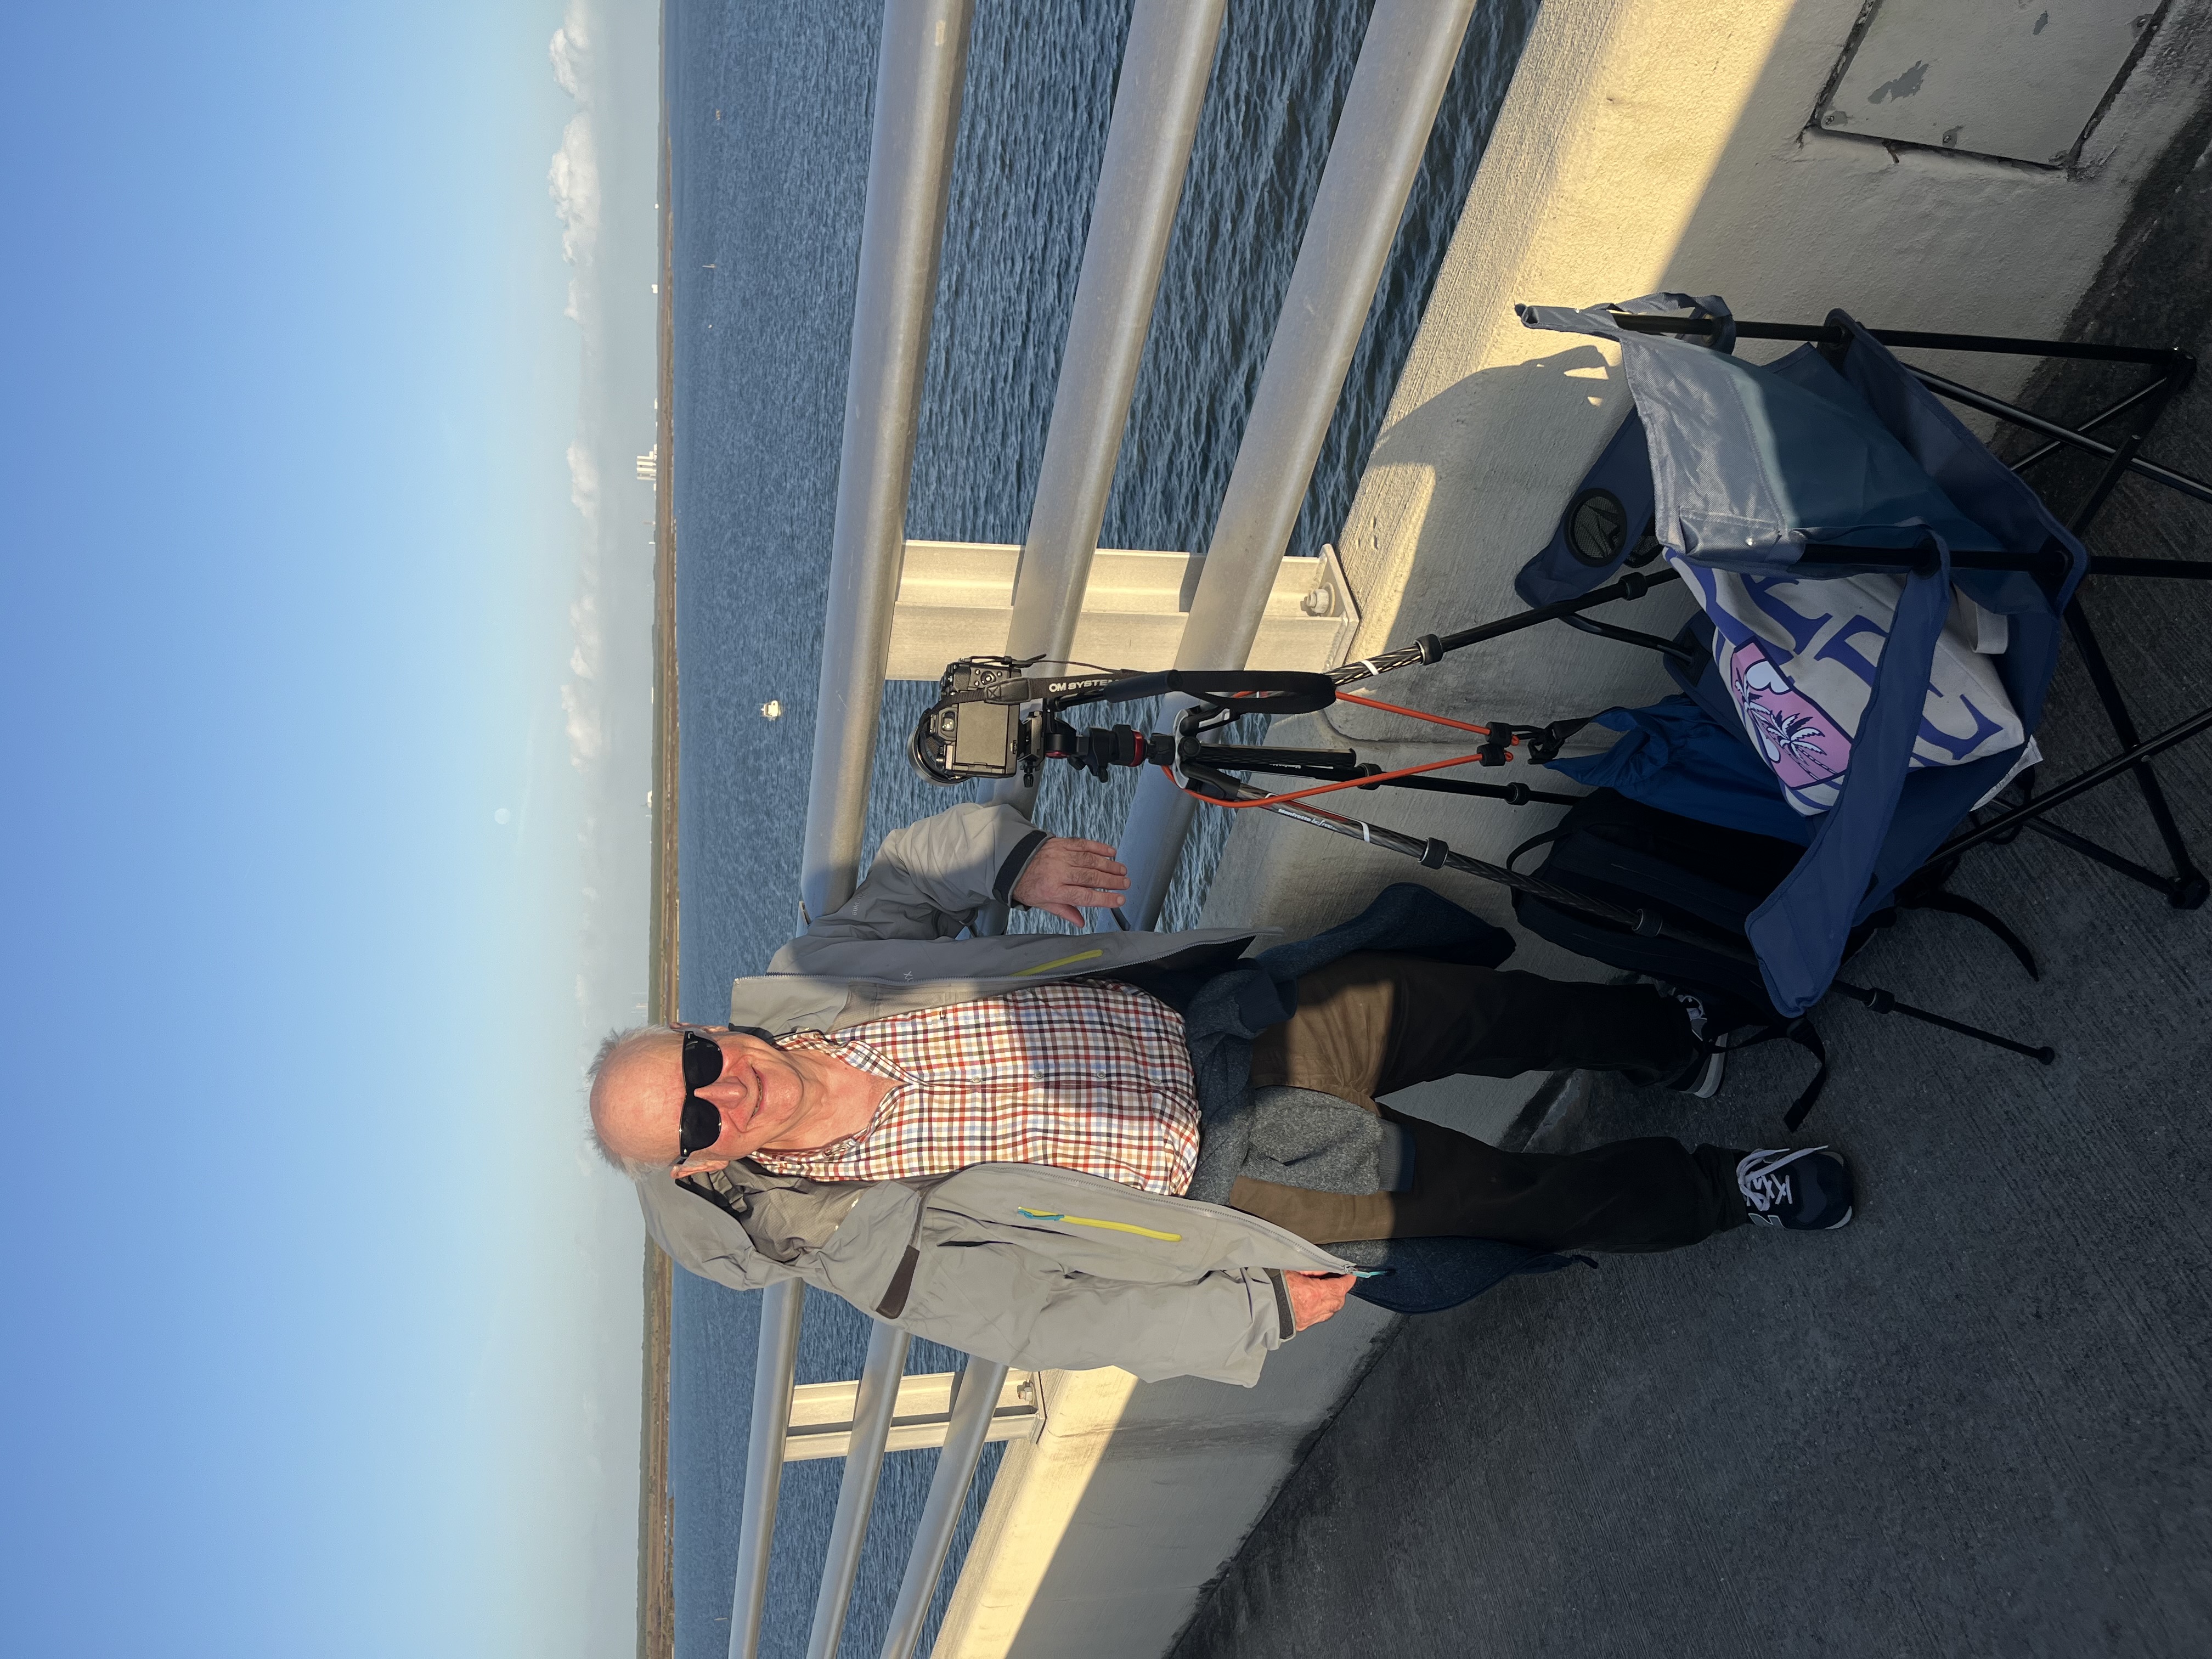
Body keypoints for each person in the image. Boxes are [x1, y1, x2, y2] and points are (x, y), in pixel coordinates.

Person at [592, 803, 1853, 1385]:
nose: (723, 1091)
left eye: (696, 1064)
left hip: (1225, 1019)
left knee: (1482, 1012)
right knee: (1504, 1199)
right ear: (701, 1164)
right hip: (1234, 1174)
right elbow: (1047, 1324)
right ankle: (1720, 1192)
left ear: (701, 1027)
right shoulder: (858, 1244)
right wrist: (1248, 1317)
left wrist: (1014, 860)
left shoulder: (819, 975)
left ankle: (1670, 1039)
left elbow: (916, 872)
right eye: (695, 1121)